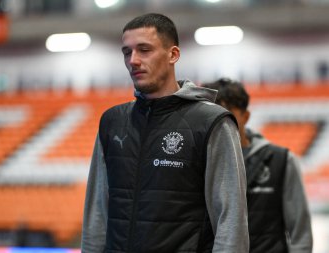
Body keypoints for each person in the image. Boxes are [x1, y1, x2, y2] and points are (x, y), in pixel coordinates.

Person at [81, 13, 249, 253]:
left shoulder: (211, 122)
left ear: (173, 54)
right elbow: (97, 211)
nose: (133, 61)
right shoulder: (112, 121)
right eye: (127, 52)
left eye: (144, 50)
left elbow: (231, 220)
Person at [202, 78, 313, 253]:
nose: (219, 123)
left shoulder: (282, 160)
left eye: (226, 114)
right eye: (212, 116)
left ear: (246, 117)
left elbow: (300, 233)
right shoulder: (196, 161)